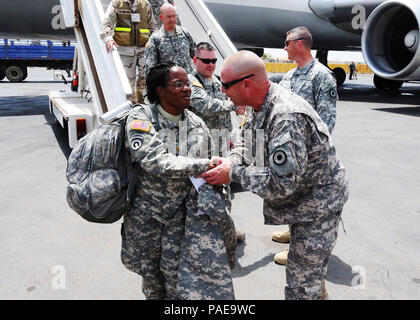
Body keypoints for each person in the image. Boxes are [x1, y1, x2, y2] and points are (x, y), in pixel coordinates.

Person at [200, 50, 349, 300]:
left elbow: (283, 185)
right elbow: (247, 143)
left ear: (246, 84)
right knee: (309, 277)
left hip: (318, 204)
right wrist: (230, 161)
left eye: (225, 85)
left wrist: (233, 173)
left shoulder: (285, 116)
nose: (222, 91)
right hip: (303, 198)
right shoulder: (256, 105)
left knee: (301, 287)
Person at [122, 62, 236, 299]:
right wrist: (205, 164)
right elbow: (154, 162)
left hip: (182, 220)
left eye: (188, 84)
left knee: (179, 282)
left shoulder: (197, 124)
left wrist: (221, 208)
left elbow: (211, 178)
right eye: (179, 84)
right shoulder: (142, 117)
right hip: (147, 218)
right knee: (152, 281)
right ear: (160, 90)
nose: (187, 89)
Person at [274, 27, 339, 263]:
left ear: (299, 44)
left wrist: (311, 154)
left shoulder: (322, 76)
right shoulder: (290, 76)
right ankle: (293, 232)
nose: (284, 47)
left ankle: (300, 251)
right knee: (293, 195)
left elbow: (326, 121)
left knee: (309, 201)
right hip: (290, 150)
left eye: (287, 43)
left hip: (310, 154)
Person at [188, 41, 246, 241]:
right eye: (206, 61)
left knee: (224, 188)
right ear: (195, 60)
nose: (211, 64)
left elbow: (223, 114)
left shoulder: (215, 81)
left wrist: (230, 137)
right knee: (199, 191)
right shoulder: (191, 81)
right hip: (200, 149)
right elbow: (205, 105)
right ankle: (201, 234)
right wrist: (233, 104)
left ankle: (225, 229)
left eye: (213, 61)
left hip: (220, 145)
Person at [100, 0, 157, 103]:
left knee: (145, 84)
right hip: (124, 50)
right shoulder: (117, 3)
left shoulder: (145, 4)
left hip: (144, 50)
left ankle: (143, 108)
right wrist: (108, 39)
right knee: (127, 86)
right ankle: (129, 109)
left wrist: (153, 42)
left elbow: (152, 26)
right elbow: (106, 24)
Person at [144, 3, 195, 79]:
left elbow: (193, 54)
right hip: (169, 84)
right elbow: (150, 68)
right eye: (168, 17)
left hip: (187, 81)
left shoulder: (185, 33)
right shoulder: (156, 38)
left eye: (174, 16)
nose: (172, 19)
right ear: (161, 17)